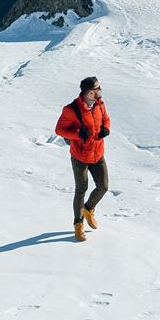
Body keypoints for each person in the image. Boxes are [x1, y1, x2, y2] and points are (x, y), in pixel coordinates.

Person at [53, 76, 110, 242]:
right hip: (80, 156)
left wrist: (106, 128)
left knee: (103, 186)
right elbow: (59, 130)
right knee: (81, 190)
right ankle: (78, 225)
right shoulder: (71, 110)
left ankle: (89, 208)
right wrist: (77, 134)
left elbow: (106, 118)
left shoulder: (100, 104)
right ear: (90, 92)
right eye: (98, 88)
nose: (101, 90)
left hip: (98, 153)